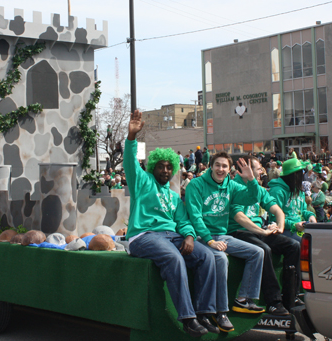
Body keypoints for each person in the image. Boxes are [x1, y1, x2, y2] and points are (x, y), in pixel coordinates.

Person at [125, 110, 219, 337]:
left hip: (171, 236)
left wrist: (188, 236)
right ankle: (187, 318)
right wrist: (131, 138)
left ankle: (205, 312)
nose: (165, 170)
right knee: (174, 257)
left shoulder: (175, 197)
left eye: (169, 167)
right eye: (161, 166)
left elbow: (183, 221)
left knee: (207, 256)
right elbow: (130, 163)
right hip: (143, 236)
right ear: (153, 167)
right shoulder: (142, 181)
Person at [185, 151, 265, 332]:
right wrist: (209, 241)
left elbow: (253, 198)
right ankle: (220, 311)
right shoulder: (195, 185)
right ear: (211, 166)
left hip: (222, 236)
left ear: (230, 170)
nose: (221, 169)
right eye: (217, 165)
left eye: (225, 166)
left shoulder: (232, 186)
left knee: (258, 252)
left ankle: (243, 299)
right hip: (200, 236)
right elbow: (195, 218)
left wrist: (252, 180)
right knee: (220, 258)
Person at [227, 156, 301, 314]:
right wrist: (262, 231)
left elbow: (276, 210)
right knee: (264, 249)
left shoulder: (259, 188)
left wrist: (280, 227)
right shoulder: (233, 187)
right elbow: (239, 217)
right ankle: (273, 302)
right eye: (258, 168)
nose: (262, 171)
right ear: (243, 171)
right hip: (238, 231)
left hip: (259, 231)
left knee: (293, 246)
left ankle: (290, 296)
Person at [268, 158, 317, 242]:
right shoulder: (277, 191)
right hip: (283, 230)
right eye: (301, 173)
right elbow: (274, 218)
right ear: (294, 175)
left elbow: (303, 211)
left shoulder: (298, 190)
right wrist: (293, 225)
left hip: (300, 229)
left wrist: (310, 216)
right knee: (306, 243)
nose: (303, 175)